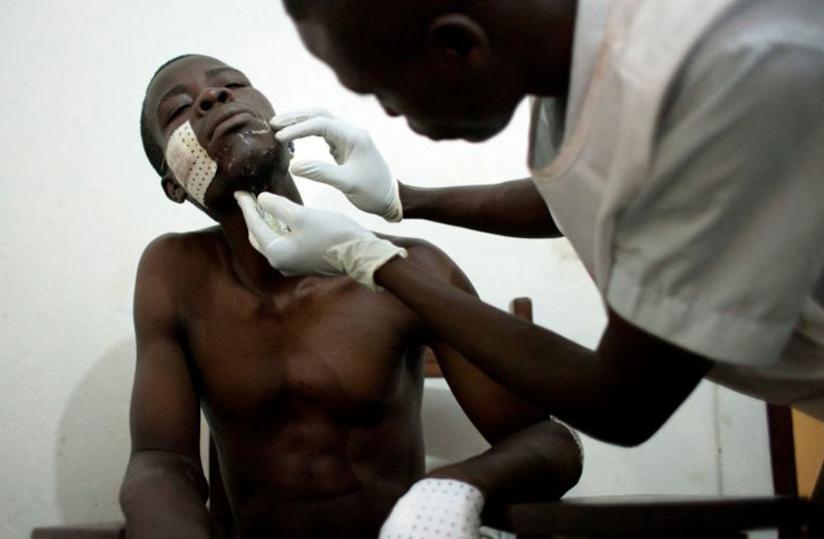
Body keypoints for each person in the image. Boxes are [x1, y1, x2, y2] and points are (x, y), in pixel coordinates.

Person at [237, 0, 824, 448]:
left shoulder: (729, 74)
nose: (391, 112)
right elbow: (597, 192)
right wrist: (403, 199)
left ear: (459, 47)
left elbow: (621, 403)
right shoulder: (579, 50)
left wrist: (373, 261)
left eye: (382, 91)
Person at [120, 53, 582, 539]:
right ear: (175, 185)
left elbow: (550, 441)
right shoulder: (176, 276)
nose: (214, 97)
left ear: (285, 132)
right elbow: (159, 458)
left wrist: (454, 487)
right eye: (178, 109)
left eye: (232, 83)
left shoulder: (407, 270)